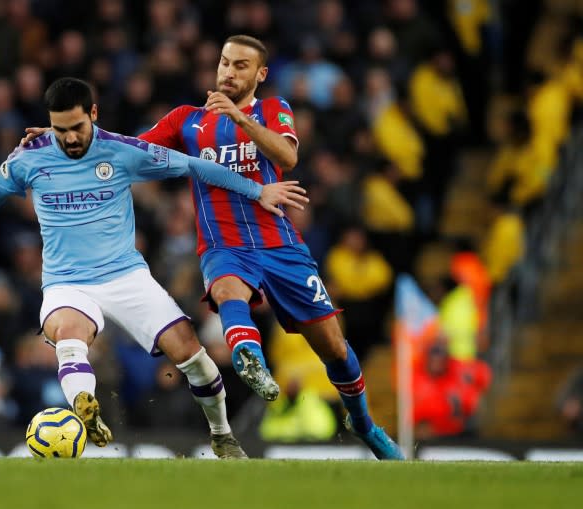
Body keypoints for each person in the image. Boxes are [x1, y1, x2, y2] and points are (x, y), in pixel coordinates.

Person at [22, 37, 404, 460]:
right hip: (224, 246)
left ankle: (364, 424)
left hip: (281, 246)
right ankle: (249, 357)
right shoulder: (187, 121)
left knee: (335, 349)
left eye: (240, 65)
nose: (228, 72)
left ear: (259, 74)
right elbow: (128, 151)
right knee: (226, 291)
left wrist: (241, 119)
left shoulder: (274, 110)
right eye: (224, 63)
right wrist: (71, 137)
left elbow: (287, 157)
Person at [0, 77, 308, 458]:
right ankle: (85, 406)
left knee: (193, 355)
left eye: (77, 128)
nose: (70, 138)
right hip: (66, 282)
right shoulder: (29, 158)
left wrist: (258, 191)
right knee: (70, 335)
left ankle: (222, 434)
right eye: (60, 130)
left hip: (126, 276)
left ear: (93, 114)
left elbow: (194, 166)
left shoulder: (123, 152)